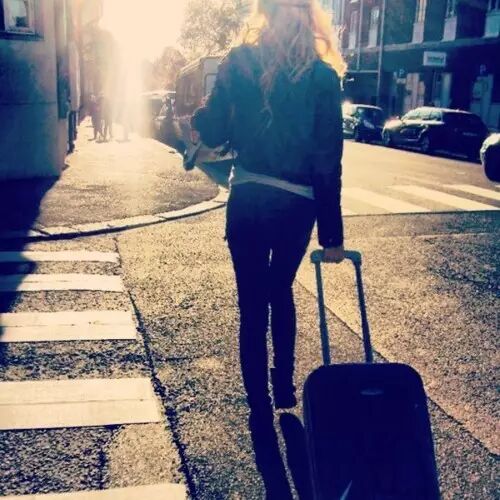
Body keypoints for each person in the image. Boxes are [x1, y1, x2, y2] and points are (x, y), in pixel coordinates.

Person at [191, 0, 346, 415]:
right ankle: (283, 385)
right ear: (309, 17)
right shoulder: (322, 77)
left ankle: (258, 401)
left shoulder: (240, 61)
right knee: (281, 288)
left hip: (249, 197)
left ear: (264, 14)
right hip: (297, 205)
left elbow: (214, 130)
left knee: (252, 303)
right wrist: (332, 236)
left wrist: (201, 117)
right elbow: (327, 159)